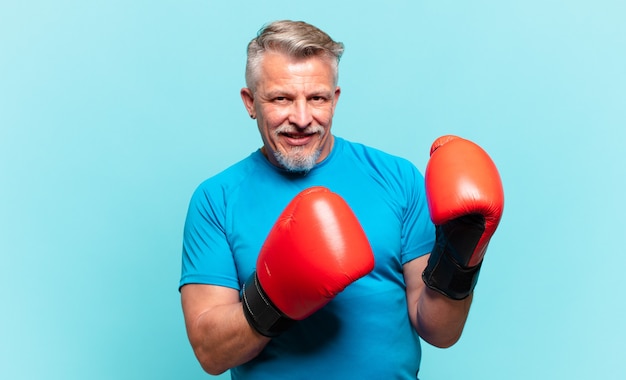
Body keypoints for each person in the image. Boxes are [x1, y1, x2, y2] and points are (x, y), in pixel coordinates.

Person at [179, 20, 504, 379]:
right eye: (281, 98)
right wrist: (274, 296)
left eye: (316, 98)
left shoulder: (397, 178)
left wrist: (462, 256)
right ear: (250, 102)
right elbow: (211, 354)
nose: (301, 119)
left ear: (334, 99)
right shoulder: (216, 200)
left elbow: (440, 332)